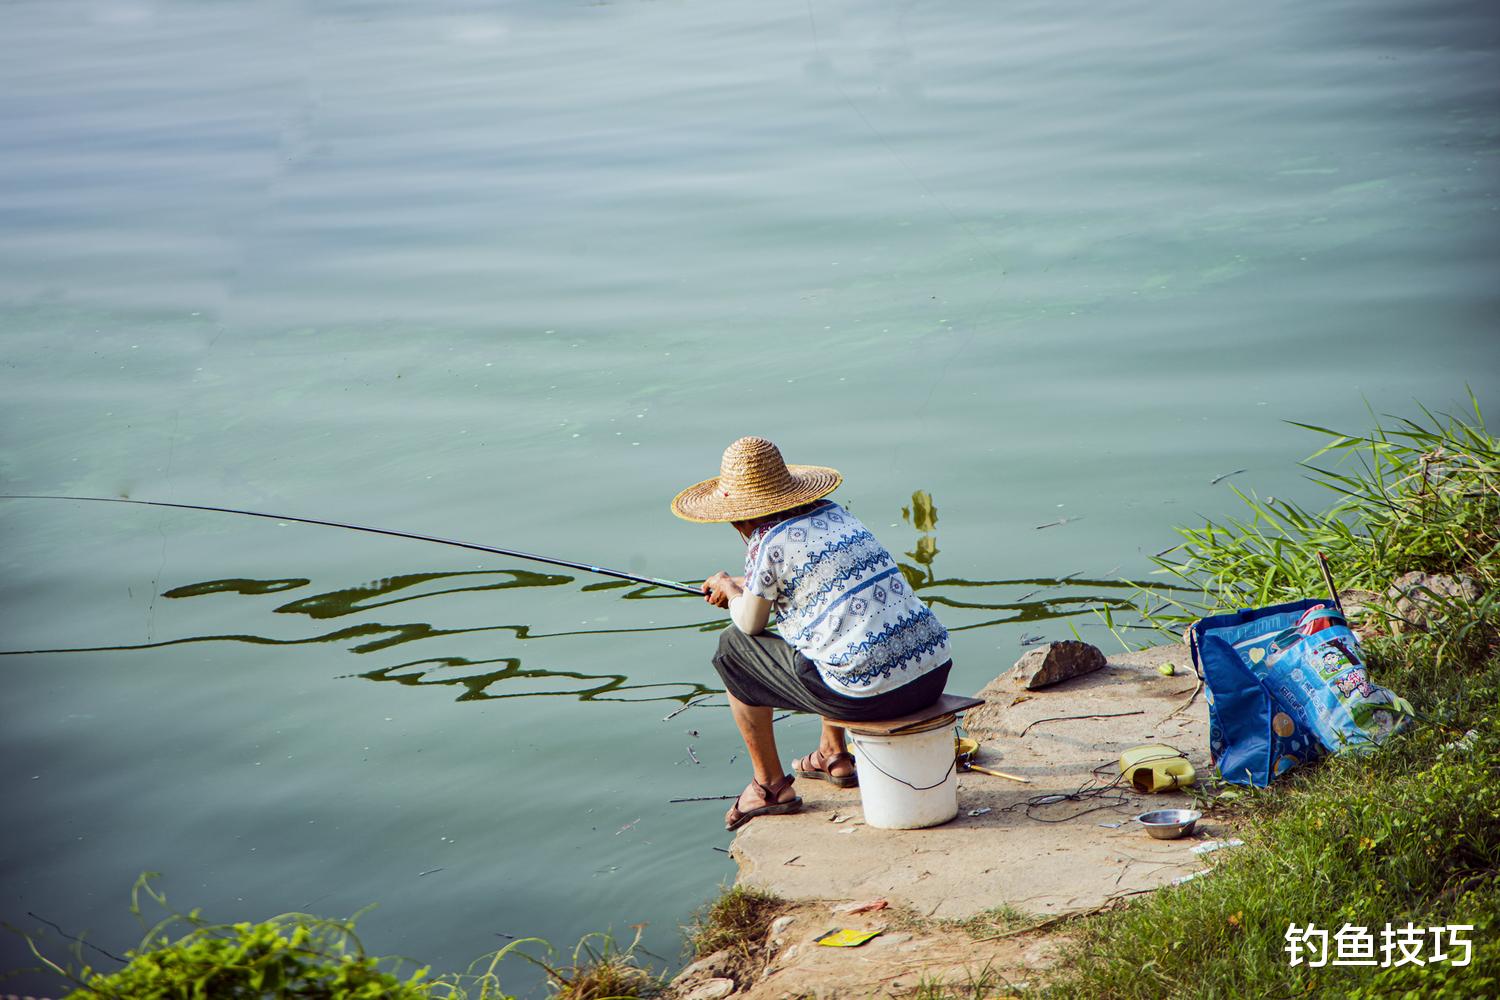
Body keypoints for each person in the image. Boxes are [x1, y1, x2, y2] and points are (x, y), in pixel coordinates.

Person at [671, 436, 953, 830]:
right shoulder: (835, 515)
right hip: (932, 674)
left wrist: (732, 590)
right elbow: (816, 588)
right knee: (829, 628)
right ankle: (832, 754)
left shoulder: (765, 540)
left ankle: (768, 786)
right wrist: (745, 587)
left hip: (871, 697)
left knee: (732, 650)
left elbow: (750, 624)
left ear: (740, 517)